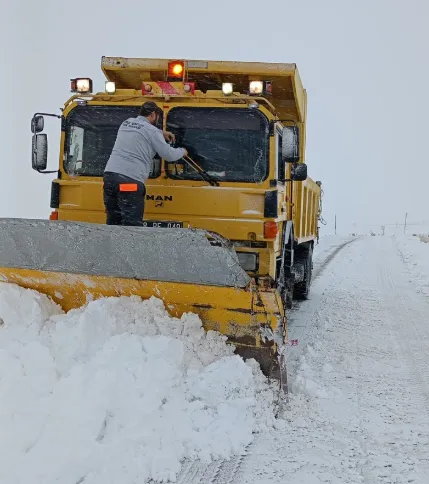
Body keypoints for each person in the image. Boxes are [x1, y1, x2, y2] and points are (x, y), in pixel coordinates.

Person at [103, 101, 187, 226]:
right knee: (131, 224)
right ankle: (129, 245)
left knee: (113, 220)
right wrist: (182, 152)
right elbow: (168, 155)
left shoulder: (126, 123)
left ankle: (111, 244)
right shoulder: (153, 132)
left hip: (110, 178)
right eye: (157, 117)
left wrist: (160, 133)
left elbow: (140, 129)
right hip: (130, 181)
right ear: (153, 115)